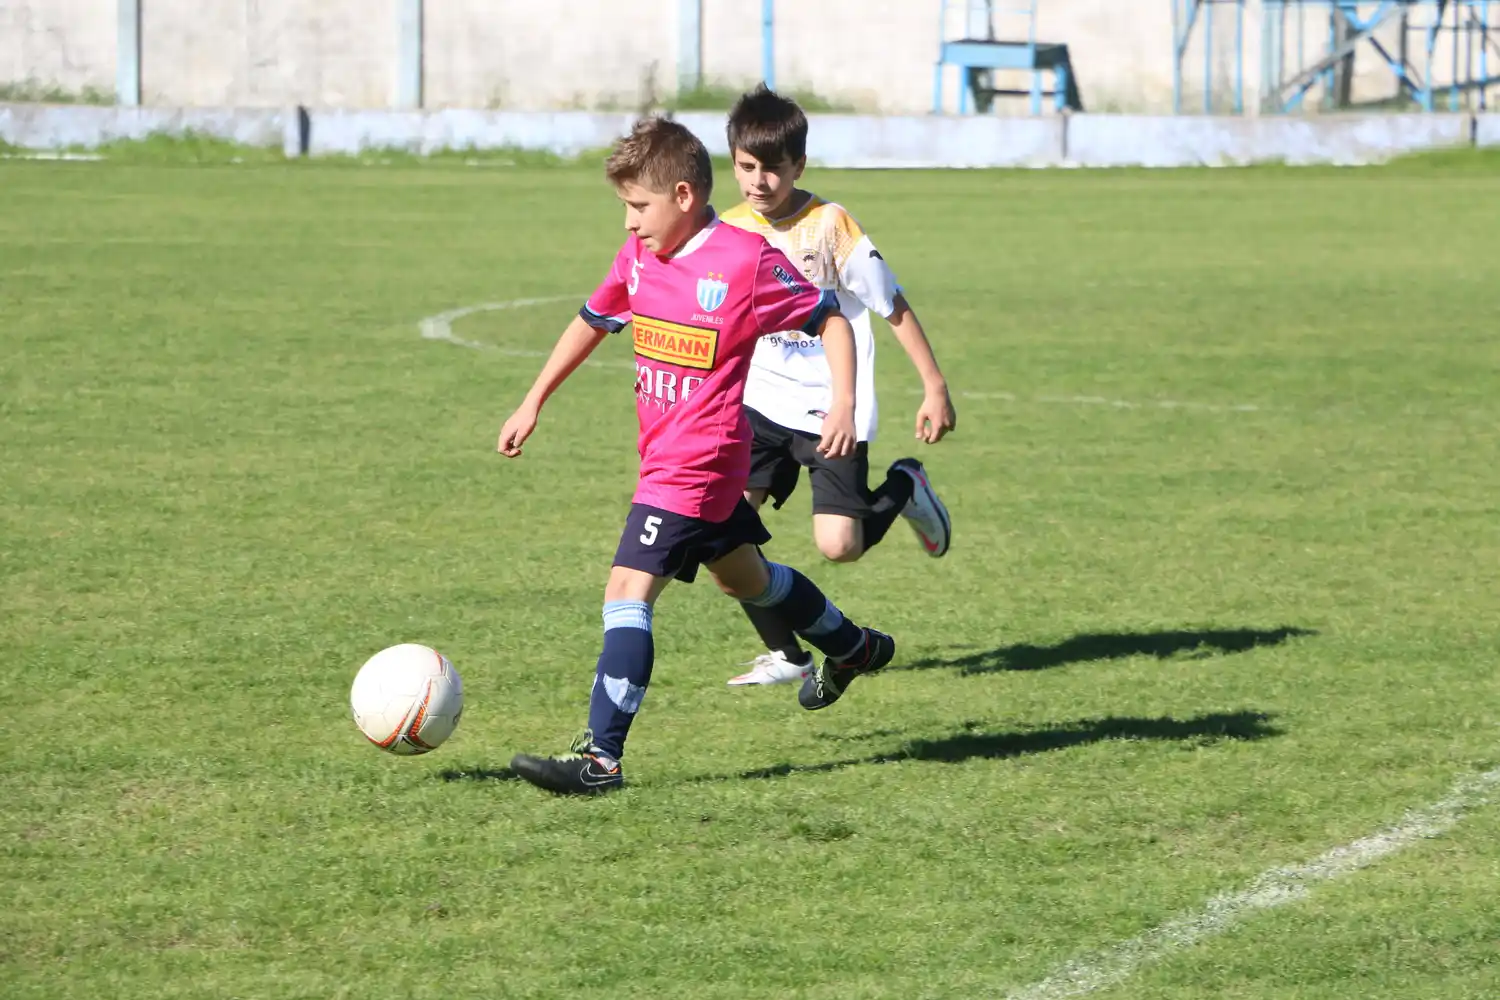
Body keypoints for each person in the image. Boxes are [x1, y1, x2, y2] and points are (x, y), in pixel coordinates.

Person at [496, 116, 895, 795]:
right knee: (748, 581)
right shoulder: (639, 256)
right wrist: (533, 400)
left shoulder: (744, 260)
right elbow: (593, 319)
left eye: (638, 206)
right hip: (673, 462)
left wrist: (843, 403)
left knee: (626, 591)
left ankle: (601, 760)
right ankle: (852, 647)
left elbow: (828, 317)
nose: (629, 222)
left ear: (683, 196)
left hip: (696, 465)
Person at [720, 85, 956, 688]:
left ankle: (904, 487)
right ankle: (787, 653)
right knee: (725, 532)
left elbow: (890, 303)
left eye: (773, 168)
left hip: (832, 403)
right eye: (746, 167)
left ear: (799, 165)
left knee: (839, 546)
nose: (759, 181)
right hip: (760, 403)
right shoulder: (727, 230)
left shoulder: (830, 226)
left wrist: (933, 385)